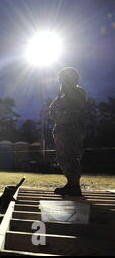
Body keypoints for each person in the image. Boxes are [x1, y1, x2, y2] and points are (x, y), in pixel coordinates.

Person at [49, 67, 87, 196]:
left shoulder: (78, 92)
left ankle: (74, 186)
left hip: (71, 130)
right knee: (63, 158)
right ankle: (71, 184)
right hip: (62, 130)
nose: (61, 82)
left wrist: (62, 107)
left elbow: (74, 109)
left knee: (70, 158)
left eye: (62, 79)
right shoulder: (63, 95)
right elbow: (52, 110)